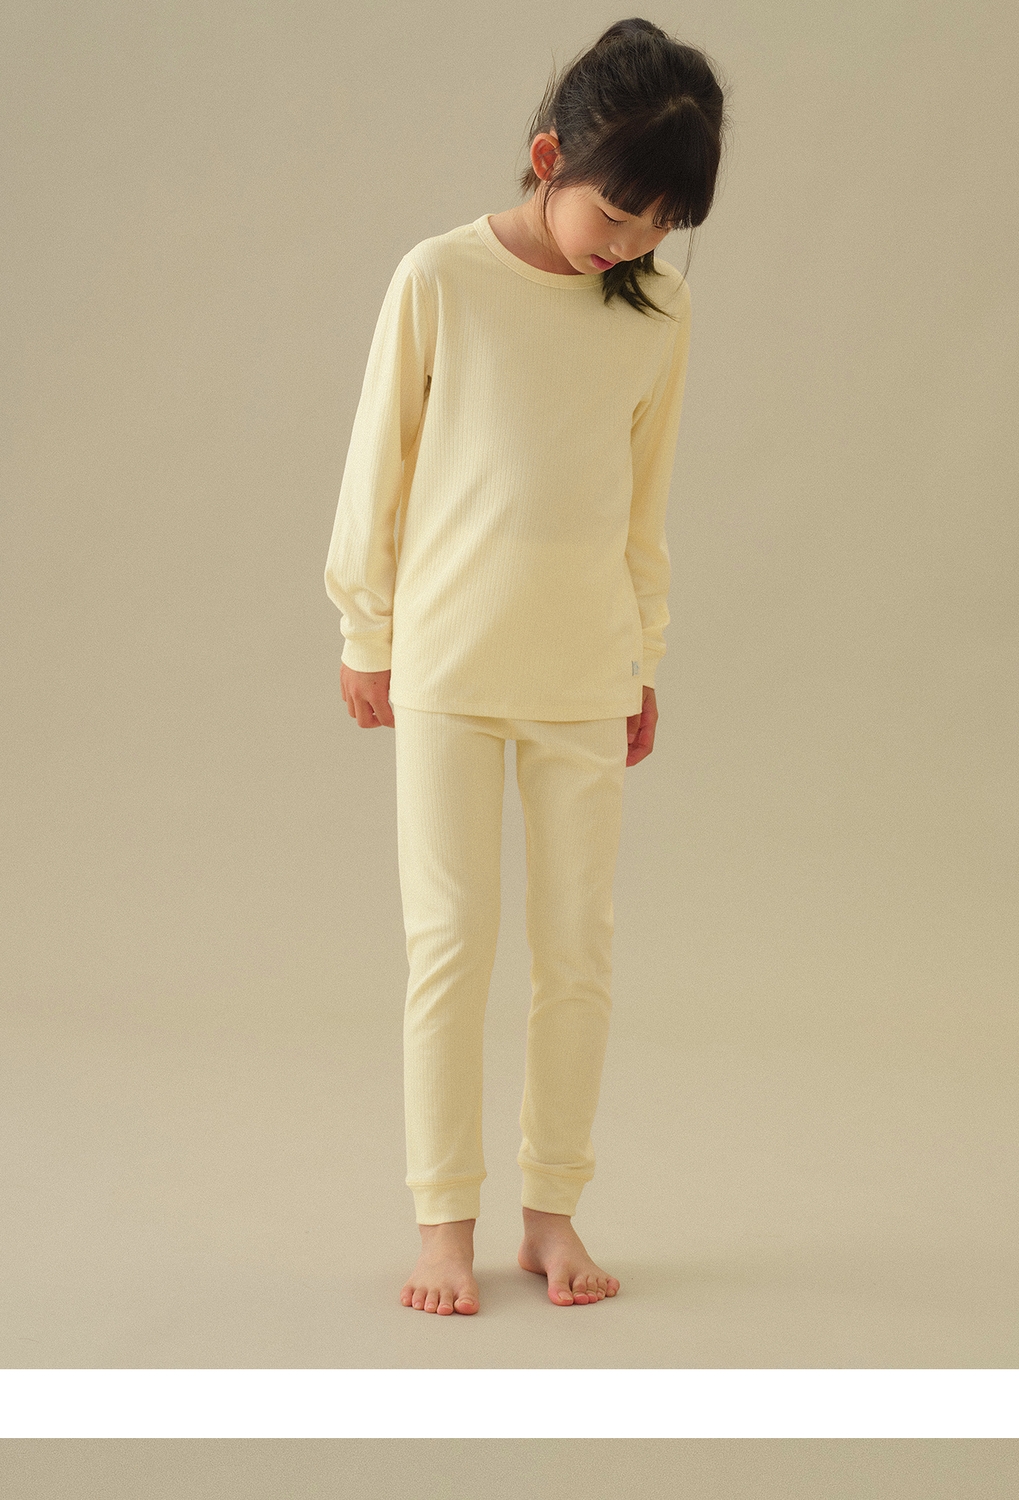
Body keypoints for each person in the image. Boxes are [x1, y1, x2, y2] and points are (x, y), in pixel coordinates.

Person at [324, 17, 727, 1314]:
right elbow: (377, 467)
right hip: (446, 668)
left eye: (661, 226)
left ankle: (553, 1214)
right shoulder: (438, 278)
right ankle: (443, 1225)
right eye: (617, 211)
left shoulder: (657, 310)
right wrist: (366, 632)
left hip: (585, 677)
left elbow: (644, 502)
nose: (632, 244)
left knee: (578, 954)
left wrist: (642, 658)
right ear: (550, 157)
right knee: (449, 946)